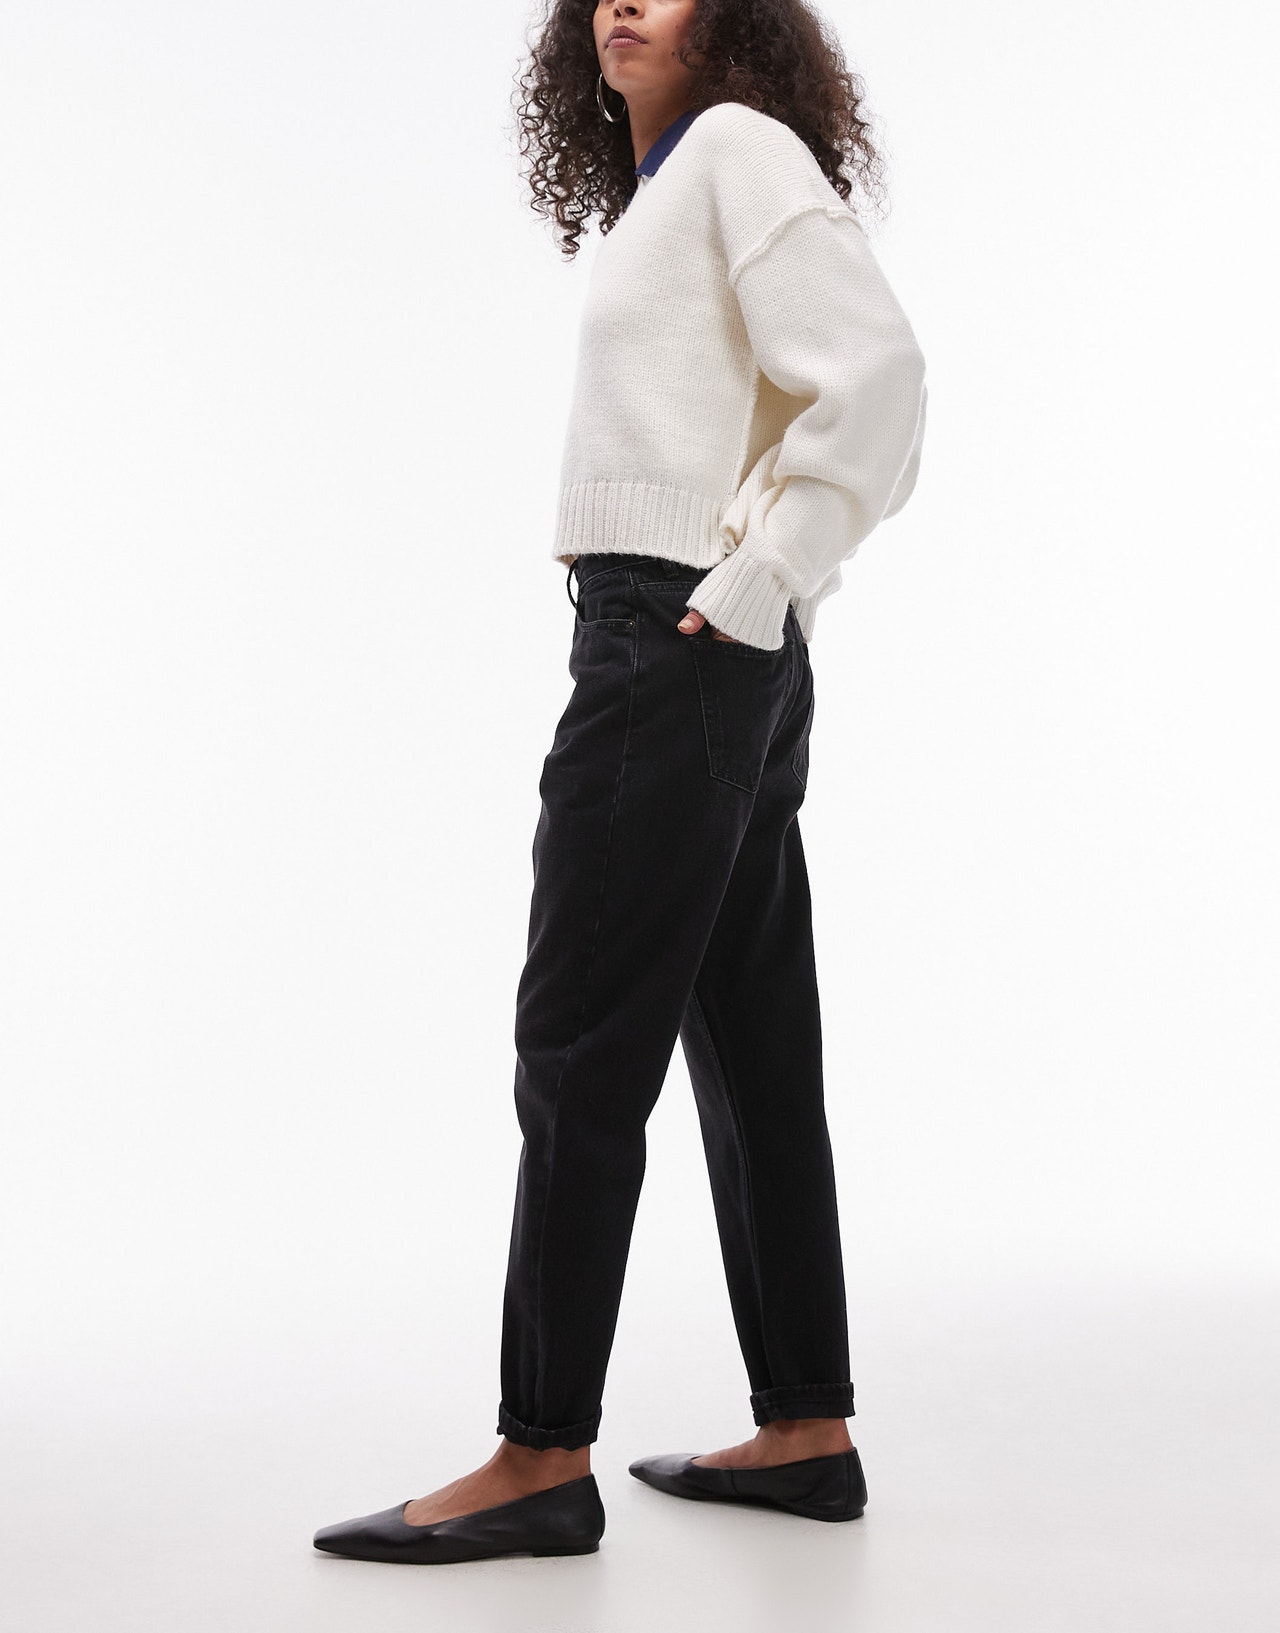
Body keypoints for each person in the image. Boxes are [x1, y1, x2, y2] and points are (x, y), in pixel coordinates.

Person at [313, 0, 927, 1566]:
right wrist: (757, 595)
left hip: (678, 640)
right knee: (752, 1043)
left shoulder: (733, 150)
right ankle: (807, 1426)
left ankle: (540, 1453)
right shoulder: (671, 187)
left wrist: (764, 572)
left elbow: (880, 378)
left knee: (580, 1039)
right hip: (717, 645)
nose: (623, 2)